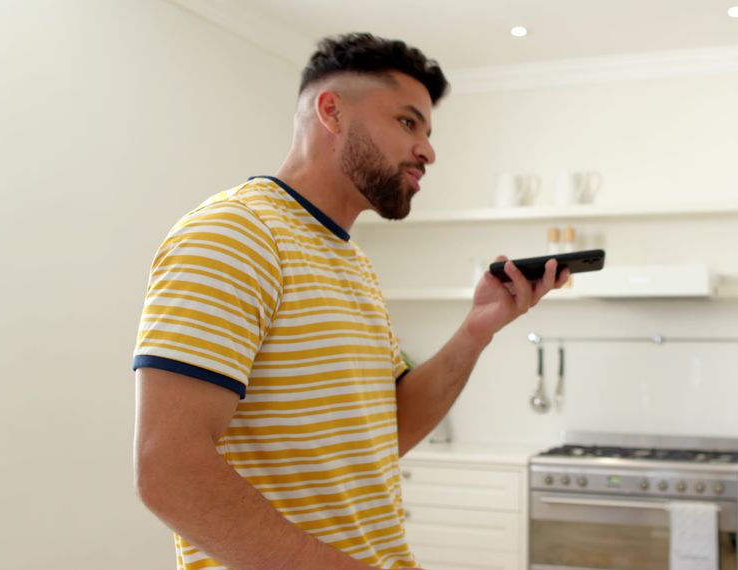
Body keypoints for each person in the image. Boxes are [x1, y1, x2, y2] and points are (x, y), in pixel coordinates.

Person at [132, 32, 567, 570]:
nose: (428, 150)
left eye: (428, 131)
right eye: (408, 122)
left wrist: (477, 329)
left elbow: (390, 432)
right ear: (332, 112)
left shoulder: (350, 261)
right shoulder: (234, 234)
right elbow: (168, 471)